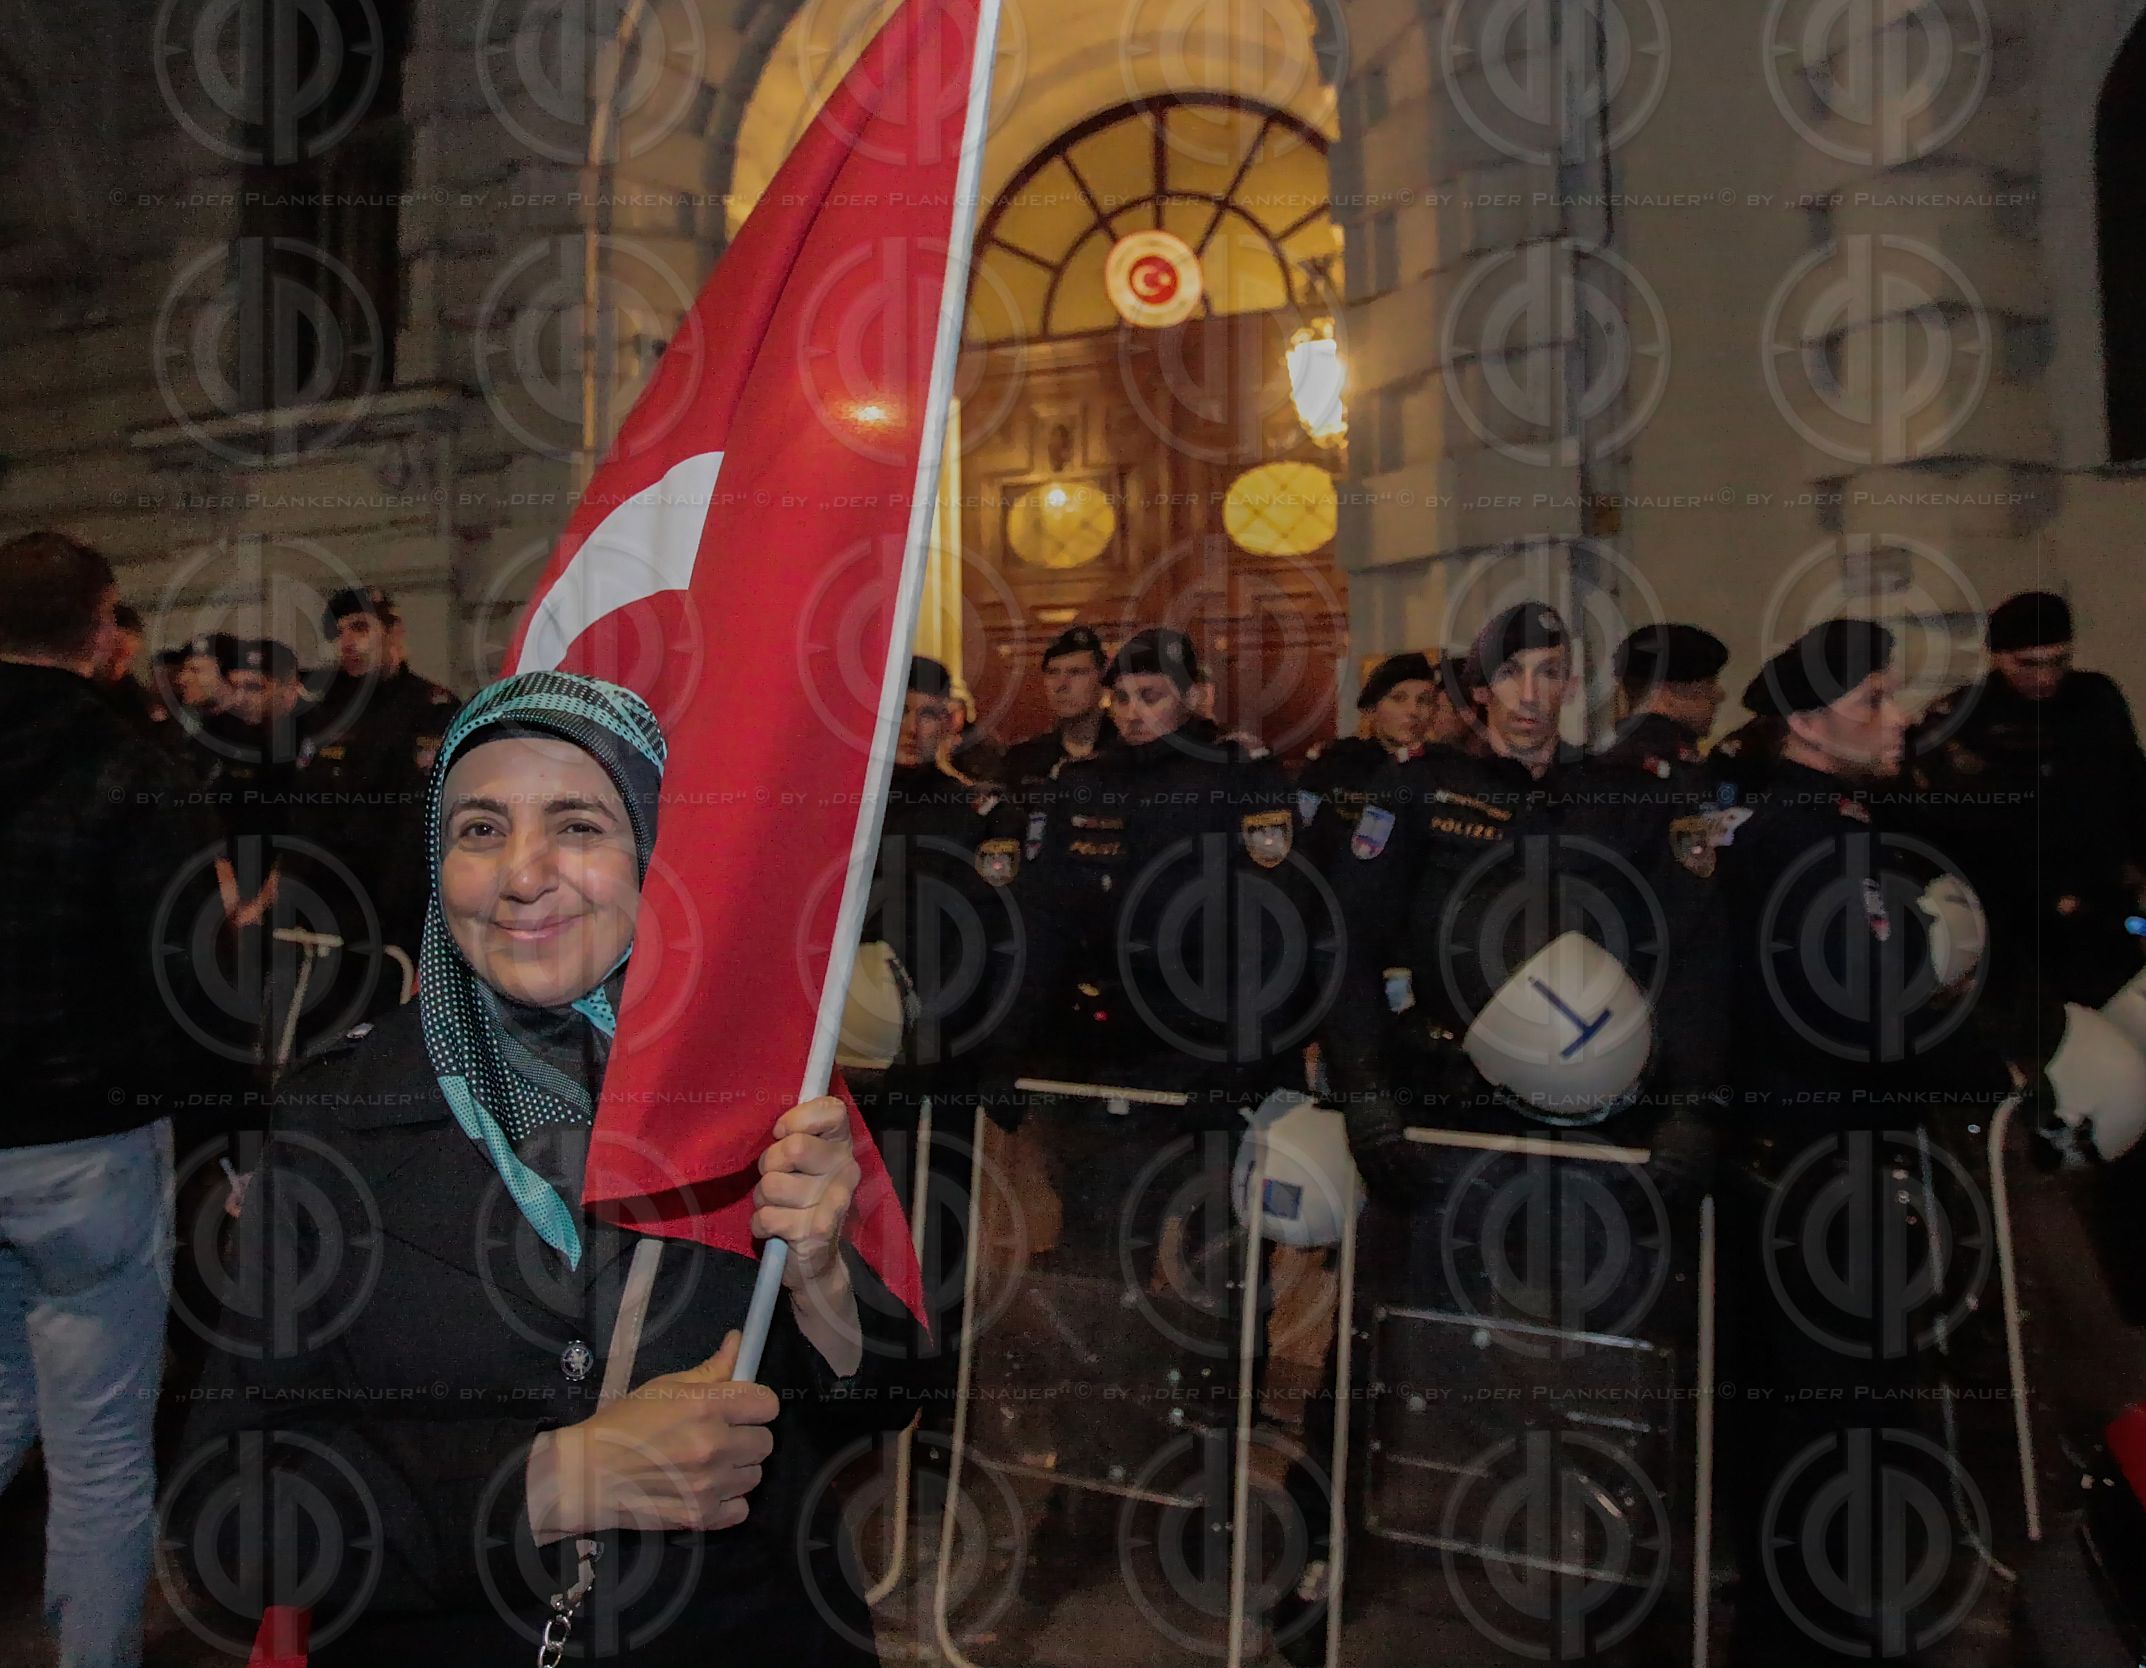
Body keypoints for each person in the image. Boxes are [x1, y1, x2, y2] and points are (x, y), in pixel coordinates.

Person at [166, 670, 940, 1665]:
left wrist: (825, 1276)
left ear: (657, 853)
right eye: (480, 829)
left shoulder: (762, 1085)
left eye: (578, 824)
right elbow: (227, 1527)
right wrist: (551, 1480)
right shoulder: (337, 1116)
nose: (522, 873)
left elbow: (883, 1409)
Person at [1270, 602, 1729, 1661]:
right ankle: (1322, 1561)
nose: (1530, 694)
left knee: (1589, 1359)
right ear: (1477, 691)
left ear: (1574, 685)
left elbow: (1693, 956)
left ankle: (1599, 1581)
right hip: (1441, 1123)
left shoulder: (1616, 795)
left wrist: (1697, 1102)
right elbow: (1350, 944)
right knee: (1377, 1352)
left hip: (1593, 1129)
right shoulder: (1418, 791)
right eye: (1510, 674)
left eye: (1550, 672)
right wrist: (1365, 1090)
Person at [1715, 620, 2017, 1666]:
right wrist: (1975, 1048)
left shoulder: (1831, 828)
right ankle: (1815, 1636)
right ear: (1804, 723)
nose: (1896, 721)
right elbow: (1868, 1016)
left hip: (1821, 1163)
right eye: (1872, 703)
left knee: (1837, 1423)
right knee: (1828, 1425)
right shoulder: (1798, 845)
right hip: (1816, 1169)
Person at [0, 532, 209, 1668]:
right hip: (90, 1148)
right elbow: (188, 978)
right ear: (101, 627)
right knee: (98, 1453)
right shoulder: (134, 771)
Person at [1905, 589, 2146, 1007]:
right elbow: (1952, 829)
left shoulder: (2094, 700)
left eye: (2058, 661)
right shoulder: (1963, 720)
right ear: (1998, 656)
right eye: (2029, 664)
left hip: (2105, 904)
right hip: (2016, 918)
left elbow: (2132, 783)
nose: (2045, 677)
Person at [296, 586, 461, 957]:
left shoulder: (430, 706)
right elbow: (303, 808)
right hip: (325, 904)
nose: (348, 643)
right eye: (338, 635)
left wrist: (399, 909)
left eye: (360, 628)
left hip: (396, 909)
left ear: (393, 632)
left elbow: (420, 817)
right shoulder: (325, 712)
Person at [1294, 650, 1436, 870]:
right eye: (1399, 698)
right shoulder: (1335, 763)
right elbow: (1300, 835)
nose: (1413, 711)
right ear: (1372, 708)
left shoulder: (1444, 770)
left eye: (1424, 701)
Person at [1595, 620, 1729, 783]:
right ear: (1662, 692)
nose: (1719, 695)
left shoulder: (1613, 755)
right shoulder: (1668, 762)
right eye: (1708, 684)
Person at [997, 625, 1107, 792]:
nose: (1061, 685)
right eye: (1053, 672)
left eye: (1076, 672)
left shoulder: (1129, 753)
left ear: (1101, 678)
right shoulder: (1023, 758)